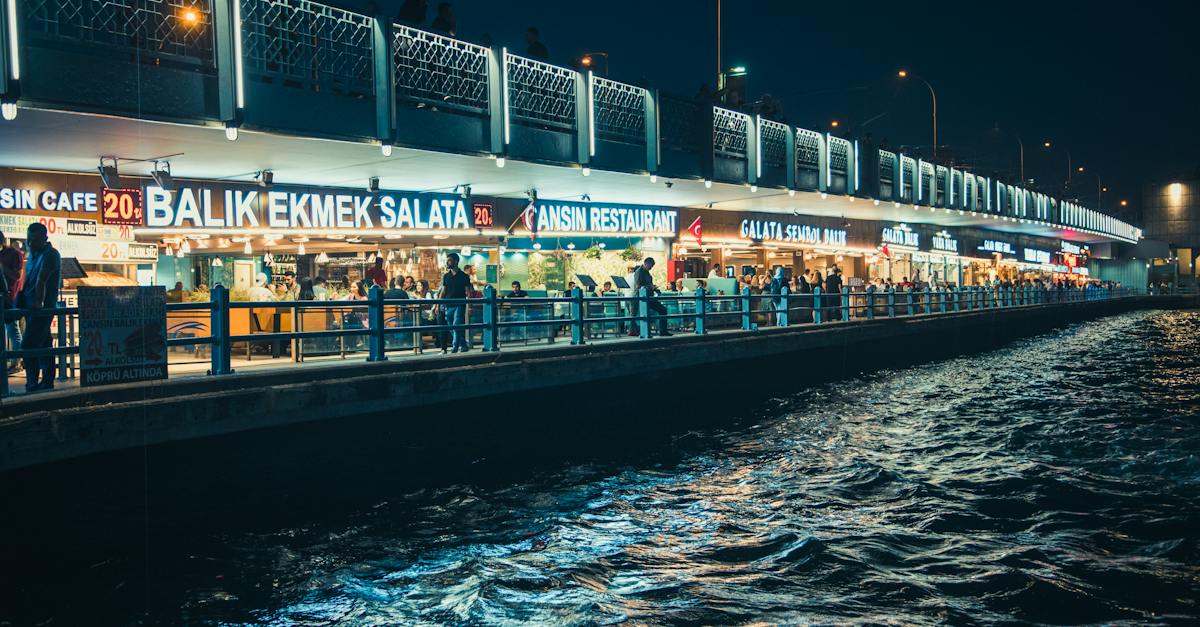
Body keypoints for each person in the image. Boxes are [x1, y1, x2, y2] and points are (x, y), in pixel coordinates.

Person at [17, 222, 61, 393]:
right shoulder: (33, 255)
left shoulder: (51, 254)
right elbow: (29, 281)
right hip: (31, 308)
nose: (30, 243)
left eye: (34, 240)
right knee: (44, 343)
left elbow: (41, 280)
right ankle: (47, 380)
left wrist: (38, 302)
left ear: (44, 238)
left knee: (28, 345)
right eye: (28, 240)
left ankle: (32, 383)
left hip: (41, 308)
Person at [438, 252, 472, 353]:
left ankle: (455, 347)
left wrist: (470, 307)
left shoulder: (464, 276)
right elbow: (443, 291)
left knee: (456, 324)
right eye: (447, 261)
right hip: (448, 304)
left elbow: (468, 292)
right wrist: (438, 304)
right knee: (451, 326)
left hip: (460, 304)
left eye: (449, 261)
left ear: (456, 261)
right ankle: (463, 344)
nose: (447, 263)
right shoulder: (446, 276)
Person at [1, 233, 23, 374]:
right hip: (4, 296)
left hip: (9, 297)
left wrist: (3, 269)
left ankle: (17, 362)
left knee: (12, 329)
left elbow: (17, 275)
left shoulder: (13, 254)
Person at [633, 257, 670, 337]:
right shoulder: (639, 272)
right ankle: (660, 331)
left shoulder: (645, 272)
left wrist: (652, 287)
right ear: (646, 263)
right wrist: (651, 287)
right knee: (662, 310)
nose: (651, 268)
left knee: (662, 310)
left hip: (648, 297)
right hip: (644, 298)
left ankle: (662, 331)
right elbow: (638, 286)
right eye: (651, 266)